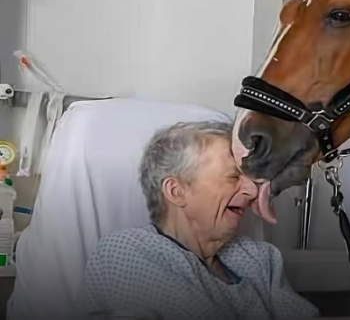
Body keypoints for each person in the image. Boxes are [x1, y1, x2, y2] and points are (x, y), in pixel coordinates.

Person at [81, 121, 319, 320]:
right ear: (177, 191)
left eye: (251, 179)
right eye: (234, 176)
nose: (252, 191)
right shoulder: (128, 251)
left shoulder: (260, 258)